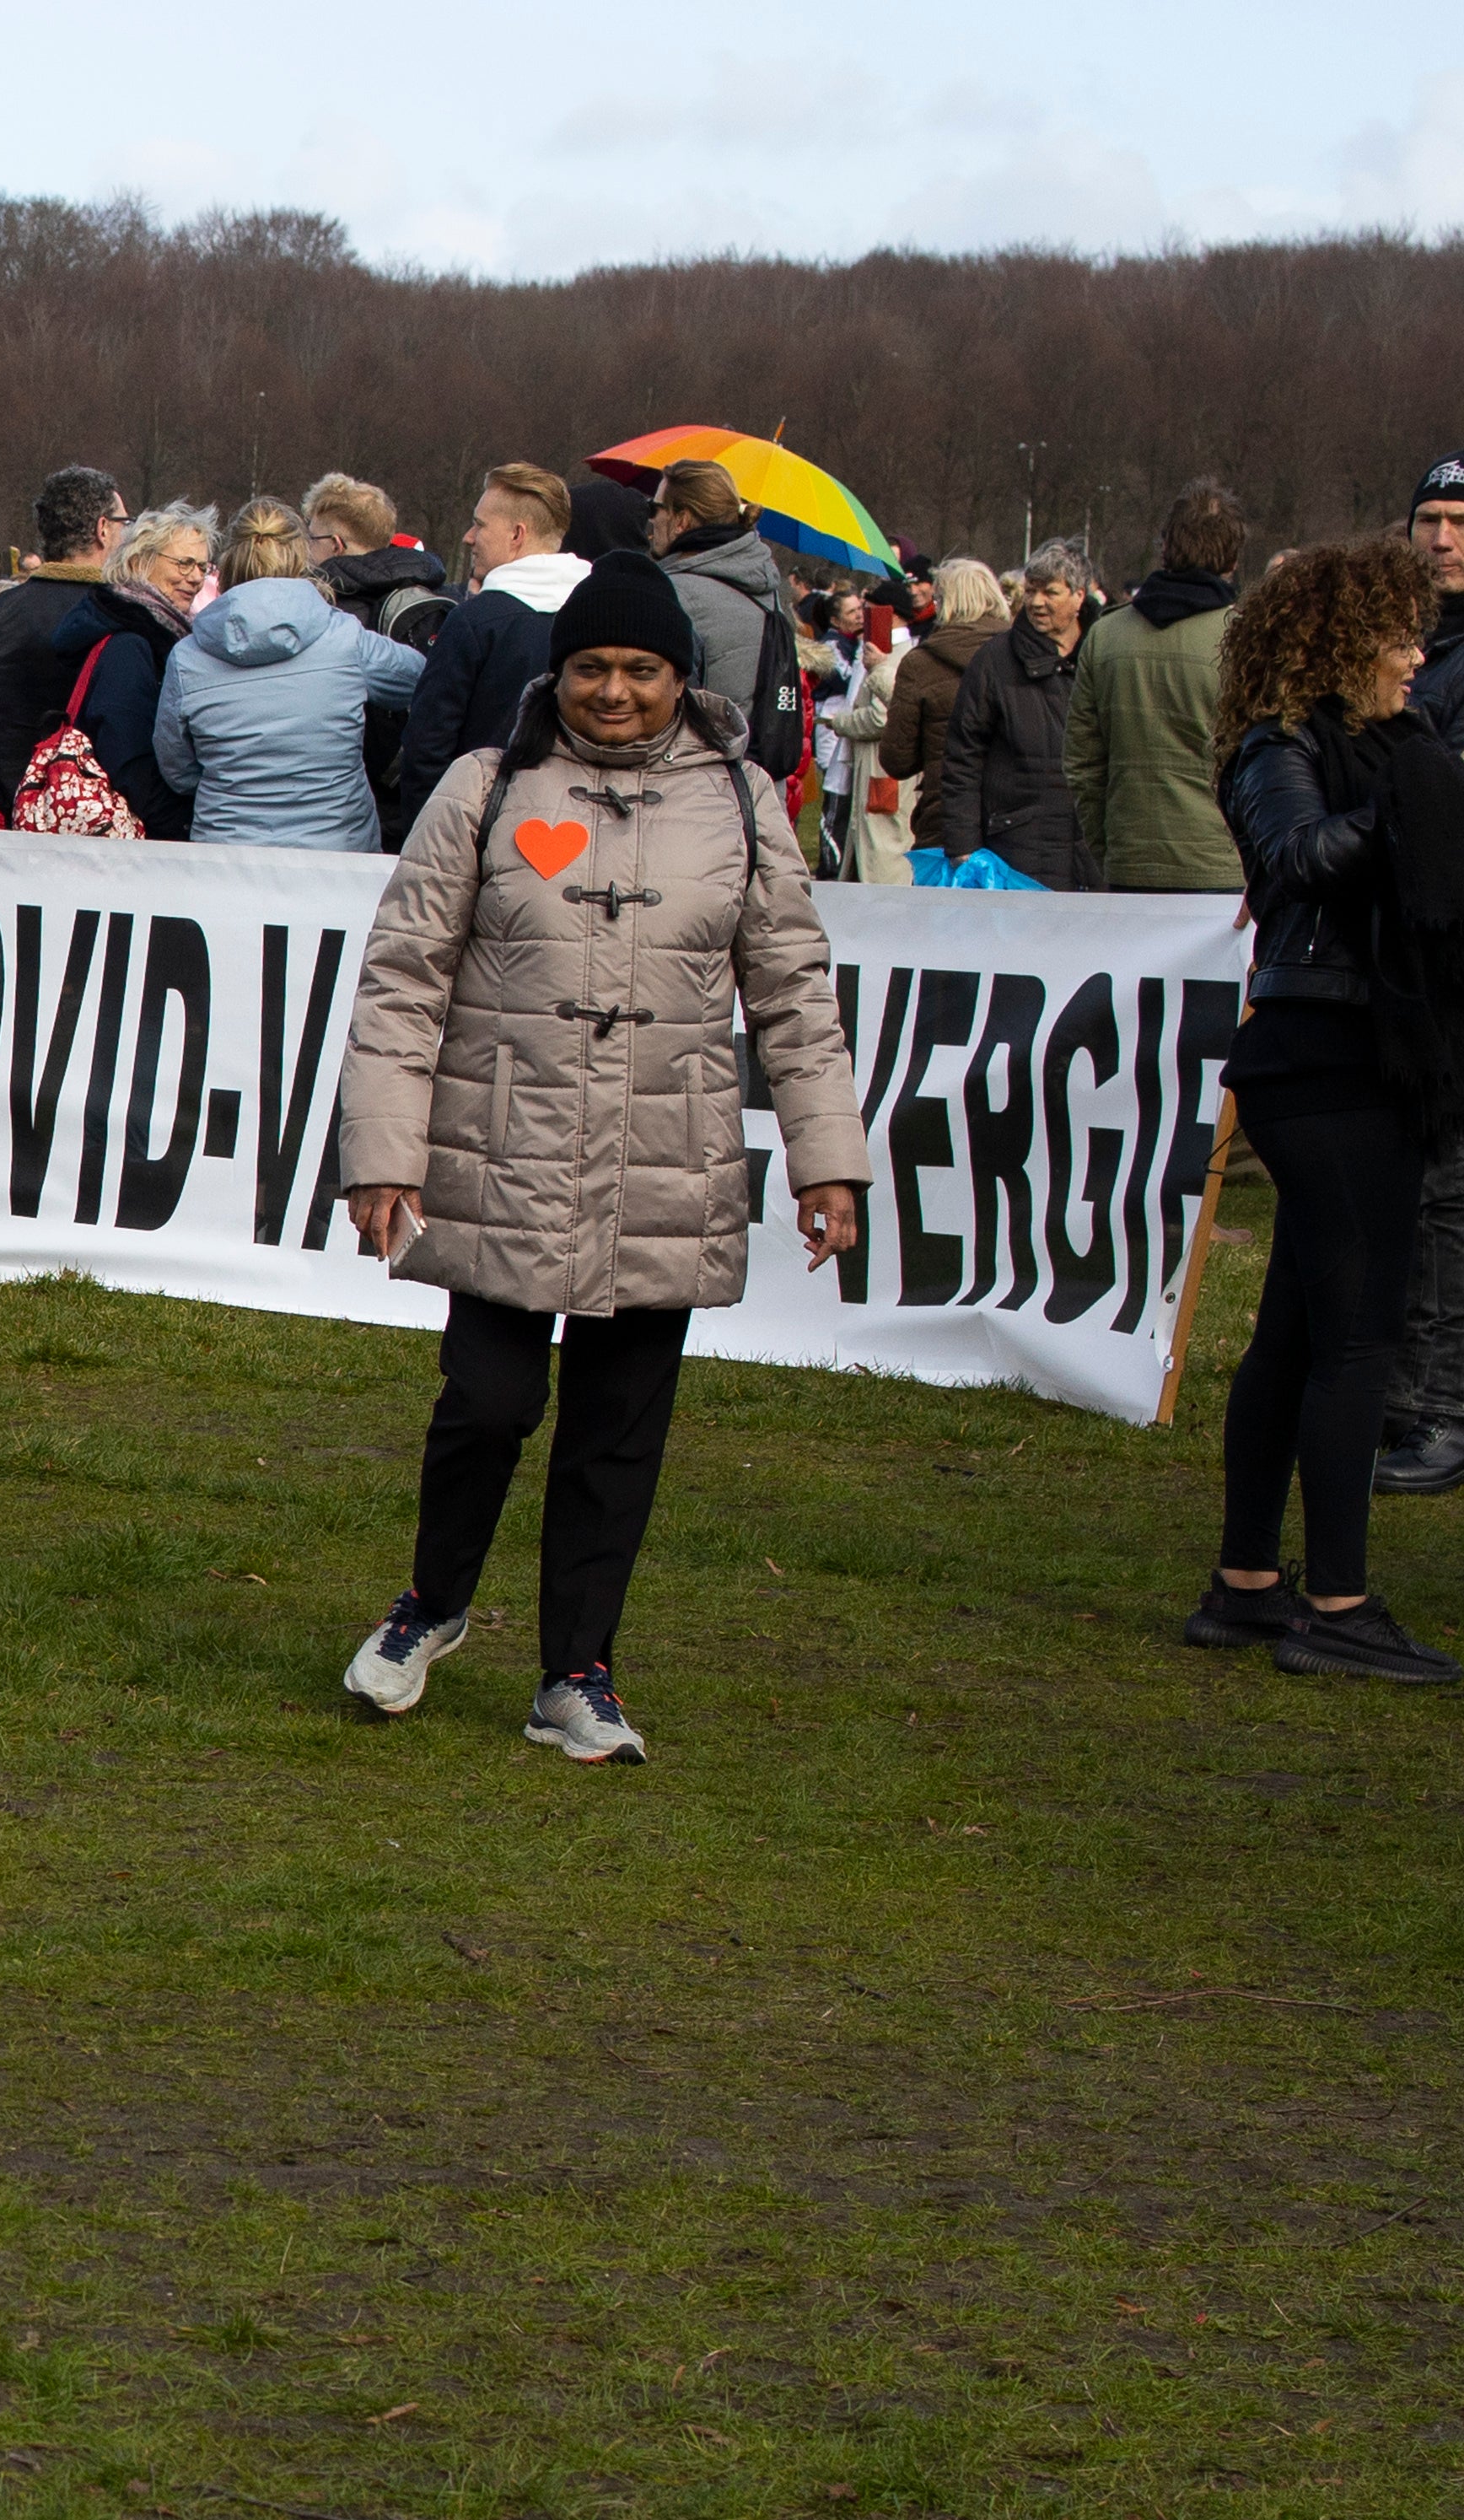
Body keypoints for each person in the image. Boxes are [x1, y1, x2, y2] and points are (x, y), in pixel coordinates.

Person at [336, 552, 871, 1763]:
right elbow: (403, 980)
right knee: (487, 1402)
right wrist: (383, 1151)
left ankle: (576, 1672)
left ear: (681, 678)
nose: (614, 691)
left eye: (640, 670)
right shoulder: (485, 787)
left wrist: (825, 1158)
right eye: (590, 668)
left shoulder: (741, 802)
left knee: (618, 1432)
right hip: (501, 1155)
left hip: (664, 1163)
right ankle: (432, 1601)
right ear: (557, 672)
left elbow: (794, 991)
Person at [1184, 537, 1464, 1679]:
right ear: (1343, 643)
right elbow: (1295, 858)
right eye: (1398, 637)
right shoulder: (1279, 744)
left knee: (1300, 1331)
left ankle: (1249, 1583)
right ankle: (1339, 1604)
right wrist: (1406, 808)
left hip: (1354, 1054)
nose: (1417, 657)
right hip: (1326, 1058)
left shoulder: (1389, 744)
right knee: (1357, 1338)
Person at [158, 500, 423, 849]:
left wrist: (231, 783)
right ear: (301, 560)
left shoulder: (187, 659)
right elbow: (422, 680)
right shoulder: (345, 639)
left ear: (228, 563)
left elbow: (176, 768)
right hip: (338, 850)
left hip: (228, 852)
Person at [1377, 458, 1464, 1496]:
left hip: (1449, 960)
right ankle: (1404, 1391)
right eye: (1429, 519)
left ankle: (1441, 1406)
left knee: (1446, 1190)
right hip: (1399, 958)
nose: (1441, 539)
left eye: (1460, 521)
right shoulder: (1403, 639)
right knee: (1411, 1182)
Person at [385, 461, 592, 839]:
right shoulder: (602, 615)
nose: (469, 537)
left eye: (479, 525)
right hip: (584, 831)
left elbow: (427, 747)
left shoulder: (474, 622)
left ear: (517, 534)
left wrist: (430, 841)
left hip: (480, 835)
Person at [1068, 481, 1249, 894]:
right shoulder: (1248, 639)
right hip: (1223, 867)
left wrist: (1108, 847)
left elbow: (1082, 763)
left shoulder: (1105, 635)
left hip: (1131, 860)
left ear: (1165, 546)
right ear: (1234, 557)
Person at [0, 464, 128, 831]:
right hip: (111, 830)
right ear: (103, 529)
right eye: (125, 522)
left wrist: (8, 791)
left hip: (20, 820)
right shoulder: (126, 615)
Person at [33, 502, 208, 837]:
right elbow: (129, 764)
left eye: (202, 566)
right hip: (137, 841)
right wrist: (185, 825)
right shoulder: (131, 645)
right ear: (139, 561)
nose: (197, 578)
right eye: (184, 563)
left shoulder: (143, 629)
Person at [925, 546, 1093, 886]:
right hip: (1016, 846)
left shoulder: (1102, 658)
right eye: (1030, 591)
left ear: (1079, 596)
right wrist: (963, 843)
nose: (1036, 602)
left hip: (1092, 846)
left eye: (1050, 592)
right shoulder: (994, 661)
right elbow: (963, 755)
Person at [649, 458, 805, 783]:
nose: (651, 520)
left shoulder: (674, 594)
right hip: (759, 791)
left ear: (681, 521)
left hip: (695, 791)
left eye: (656, 508)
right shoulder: (764, 585)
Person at [875, 557, 1004, 880]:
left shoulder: (921, 663)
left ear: (944, 602)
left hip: (942, 815)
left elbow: (897, 759)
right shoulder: (1023, 657)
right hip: (1015, 817)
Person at [303, 472, 455, 645]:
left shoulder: (328, 611)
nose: (307, 546)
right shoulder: (432, 589)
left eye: (312, 538)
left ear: (336, 545)